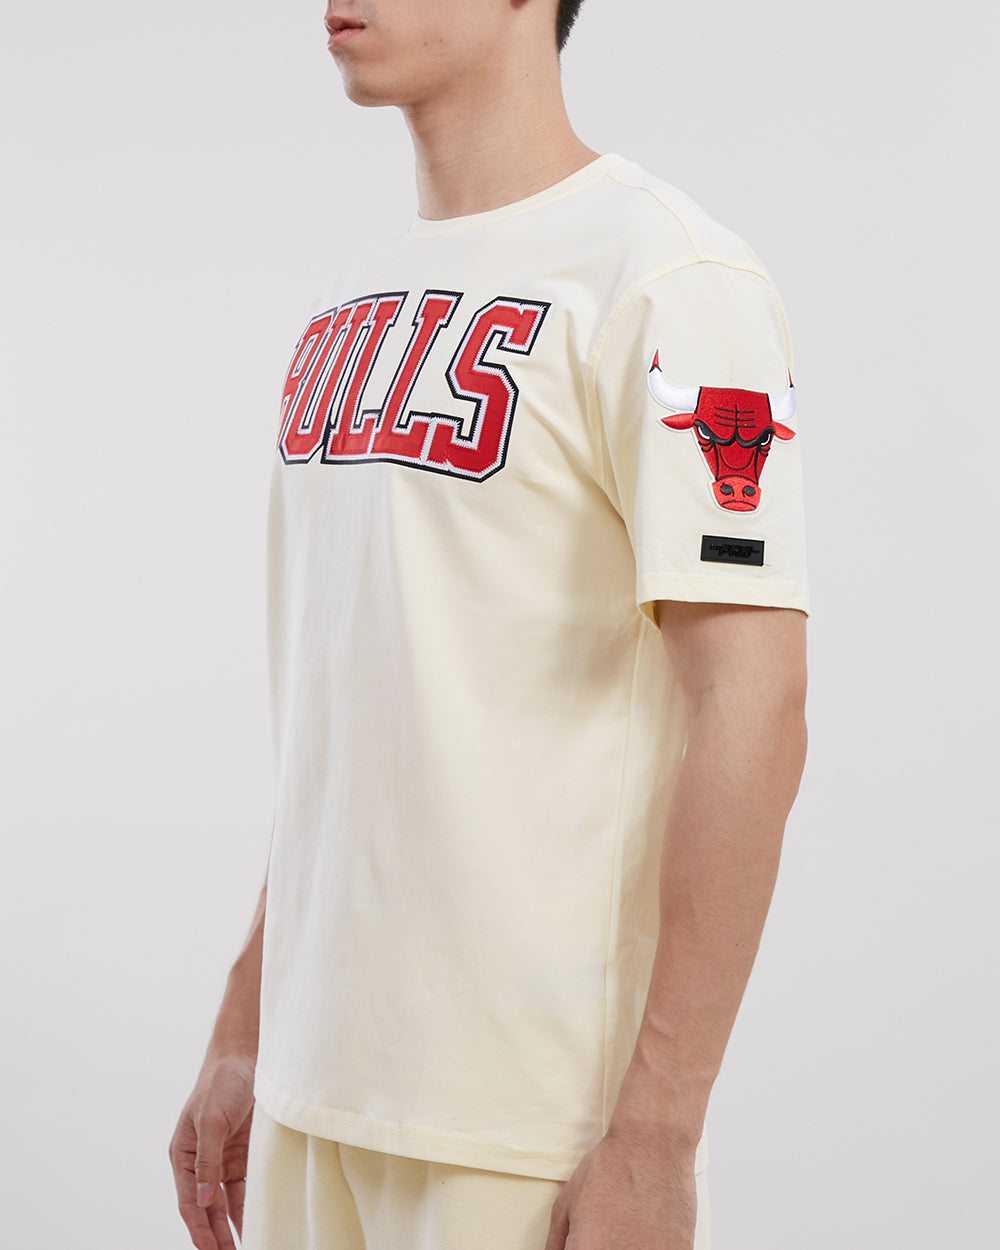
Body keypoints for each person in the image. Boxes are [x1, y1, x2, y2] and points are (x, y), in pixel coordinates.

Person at [168, 1, 809, 1247]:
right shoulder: (353, 295)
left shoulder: (666, 277)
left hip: (522, 1126)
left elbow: (755, 703)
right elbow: (359, 705)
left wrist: (656, 1128)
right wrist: (248, 1016)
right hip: (311, 1094)